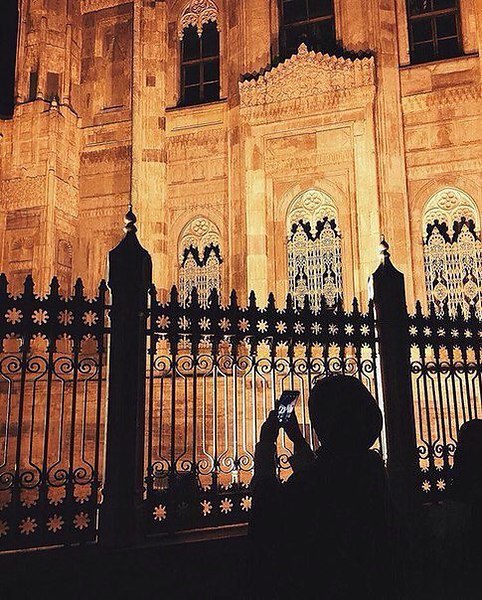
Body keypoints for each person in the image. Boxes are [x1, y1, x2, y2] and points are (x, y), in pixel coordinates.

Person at [249, 375, 391, 599]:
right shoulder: (372, 467)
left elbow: (266, 514)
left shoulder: (318, 480)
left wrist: (266, 444)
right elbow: (324, 475)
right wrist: (298, 439)